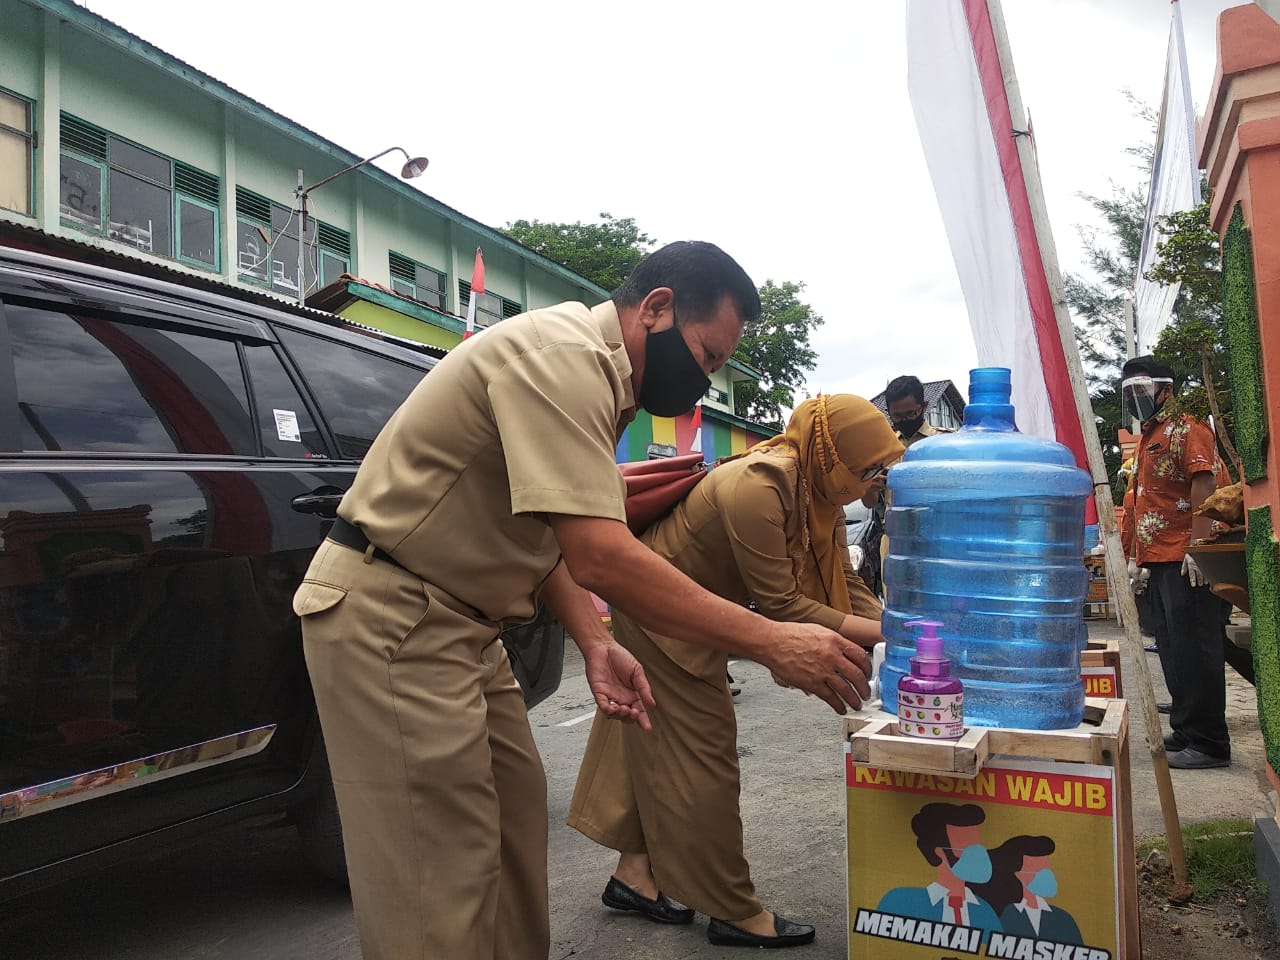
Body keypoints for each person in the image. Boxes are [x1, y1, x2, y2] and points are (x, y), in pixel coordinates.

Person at [293, 241, 874, 960]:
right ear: (656, 308)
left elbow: (549, 539)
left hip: (469, 628)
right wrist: (772, 642)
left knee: (510, 844)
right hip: (396, 613)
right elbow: (602, 555)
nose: (705, 382)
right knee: (437, 881)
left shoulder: (603, 381)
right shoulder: (564, 356)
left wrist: (596, 643)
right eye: (707, 357)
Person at [568, 395, 902, 949]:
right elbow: (784, 608)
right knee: (706, 759)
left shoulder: (816, 494)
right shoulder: (761, 485)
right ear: (831, 455)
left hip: (700, 611)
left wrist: (901, 622)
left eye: (879, 469)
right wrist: (900, 635)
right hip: (662, 614)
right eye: (866, 469)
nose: (874, 481)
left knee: (654, 742)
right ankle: (733, 909)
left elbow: (847, 579)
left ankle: (634, 876)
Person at [1122, 355, 1253, 771]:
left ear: (1167, 390)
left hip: (1187, 558)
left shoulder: (1188, 428)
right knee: (1173, 650)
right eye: (1130, 394)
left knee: (1197, 651)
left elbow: (1205, 482)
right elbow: (1147, 500)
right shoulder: (1149, 435)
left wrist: (1199, 546)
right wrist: (1137, 558)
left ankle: (1210, 742)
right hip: (1159, 559)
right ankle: (1186, 728)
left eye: (1142, 391)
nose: (1136, 401)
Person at [876, 802, 1003, 941]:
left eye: (978, 845)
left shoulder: (985, 912)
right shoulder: (898, 902)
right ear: (939, 852)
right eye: (966, 846)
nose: (977, 854)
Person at [976, 835, 1083, 944]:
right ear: (1018, 874)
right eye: (1037, 867)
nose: (1046, 872)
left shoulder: (1063, 919)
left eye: (1046, 865)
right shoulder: (1003, 917)